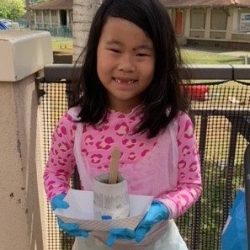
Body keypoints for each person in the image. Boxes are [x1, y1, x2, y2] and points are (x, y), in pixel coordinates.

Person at [43, 0, 202, 249]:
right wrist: (59, 199)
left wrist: (162, 208)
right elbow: (55, 172)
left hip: (159, 242)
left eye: (141, 53)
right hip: (92, 244)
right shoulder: (73, 124)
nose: (126, 65)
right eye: (115, 50)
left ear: (160, 60)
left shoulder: (177, 125)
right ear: (95, 50)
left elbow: (191, 184)